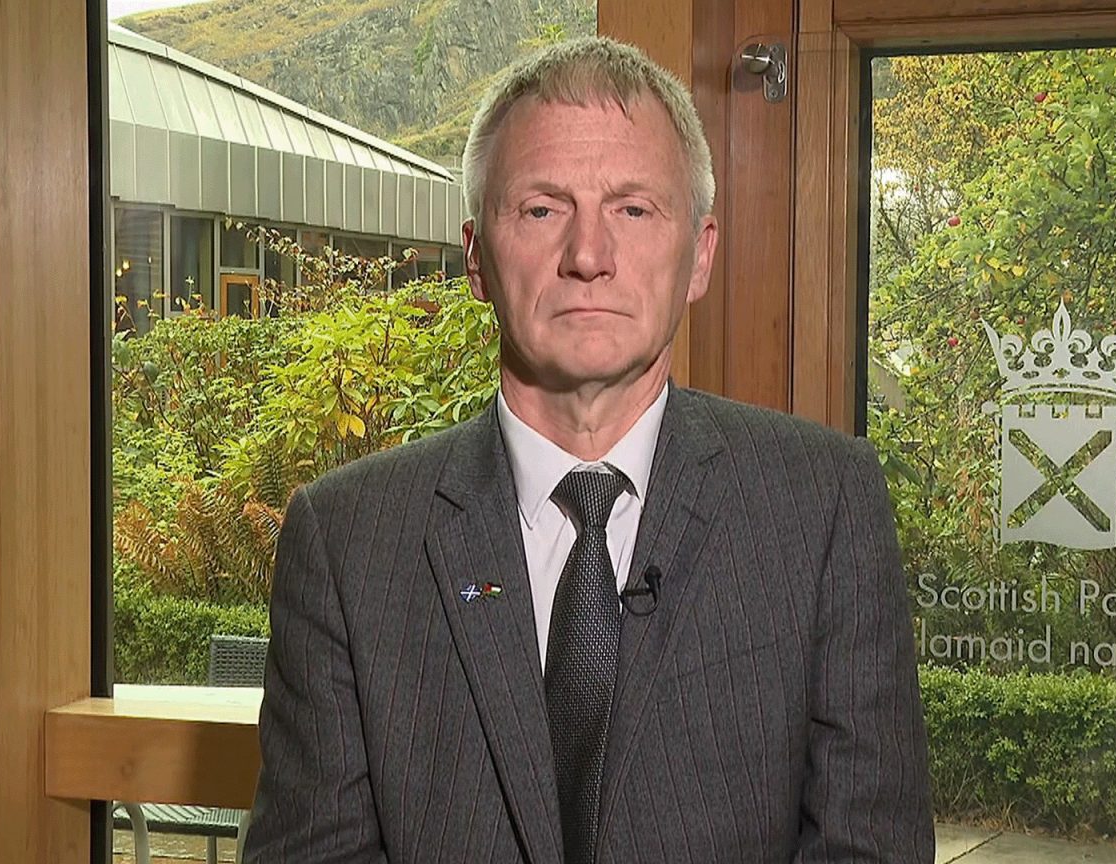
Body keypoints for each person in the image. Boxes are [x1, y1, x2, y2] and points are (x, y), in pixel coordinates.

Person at [243, 36, 933, 864]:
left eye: (633, 210)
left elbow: (872, 848)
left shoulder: (822, 507)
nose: (589, 257)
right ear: (476, 259)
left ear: (699, 256)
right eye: (542, 210)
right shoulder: (348, 541)